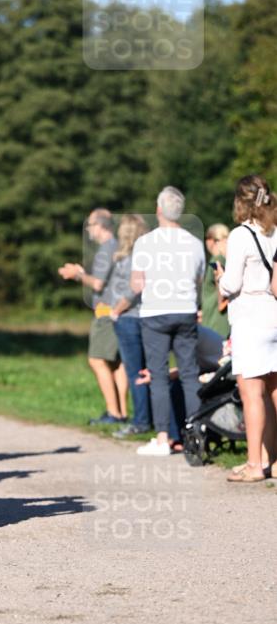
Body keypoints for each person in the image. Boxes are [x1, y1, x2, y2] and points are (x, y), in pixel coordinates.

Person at [131, 186, 205, 456]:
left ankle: (162, 438)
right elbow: (198, 281)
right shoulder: (195, 243)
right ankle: (197, 437)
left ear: (159, 209)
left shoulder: (145, 243)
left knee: (159, 376)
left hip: (155, 312)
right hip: (185, 310)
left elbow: (137, 285)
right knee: (189, 375)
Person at [218, 175, 277, 482]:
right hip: (275, 315)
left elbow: (232, 283)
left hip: (251, 319)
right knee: (274, 391)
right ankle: (273, 460)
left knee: (252, 393)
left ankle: (254, 465)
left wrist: (219, 279)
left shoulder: (240, 235)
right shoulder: (276, 231)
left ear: (240, 201)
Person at [59, 208, 128, 425]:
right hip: (119, 311)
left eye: (90, 224)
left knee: (97, 360)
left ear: (100, 226)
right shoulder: (117, 246)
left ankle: (113, 413)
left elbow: (98, 283)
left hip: (107, 313)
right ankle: (122, 412)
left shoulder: (107, 248)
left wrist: (77, 274)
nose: (88, 229)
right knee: (116, 363)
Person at [107, 214, 152, 438]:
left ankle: (141, 421)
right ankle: (151, 418)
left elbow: (135, 287)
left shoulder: (131, 257)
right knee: (148, 370)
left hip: (129, 317)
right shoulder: (144, 255)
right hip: (143, 317)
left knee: (135, 372)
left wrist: (116, 309)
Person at [201, 223, 230, 338]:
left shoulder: (216, 261)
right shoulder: (224, 259)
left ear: (212, 240)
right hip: (217, 320)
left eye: (207, 238)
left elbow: (222, 290)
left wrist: (221, 302)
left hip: (216, 322)